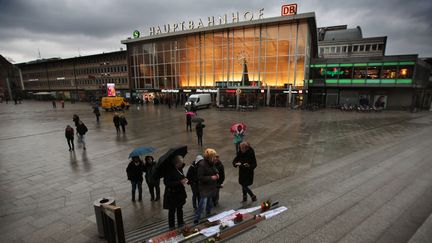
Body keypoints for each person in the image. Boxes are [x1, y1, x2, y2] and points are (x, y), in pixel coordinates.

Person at [194, 148, 219, 224]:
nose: (215, 158)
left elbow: (214, 169)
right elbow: (200, 177)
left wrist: (217, 173)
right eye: (213, 156)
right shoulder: (202, 165)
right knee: (202, 203)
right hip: (204, 187)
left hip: (210, 186)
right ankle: (197, 217)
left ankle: (208, 213)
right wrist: (211, 177)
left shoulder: (211, 163)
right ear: (209, 156)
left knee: (209, 201)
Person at [163, 155, 188, 229]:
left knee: (180, 208)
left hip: (180, 193)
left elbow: (181, 176)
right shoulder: (168, 171)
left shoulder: (179, 169)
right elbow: (167, 183)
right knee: (172, 210)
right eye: (179, 164)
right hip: (172, 194)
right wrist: (180, 182)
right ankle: (172, 225)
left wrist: (184, 179)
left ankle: (180, 222)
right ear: (175, 163)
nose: (181, 165)